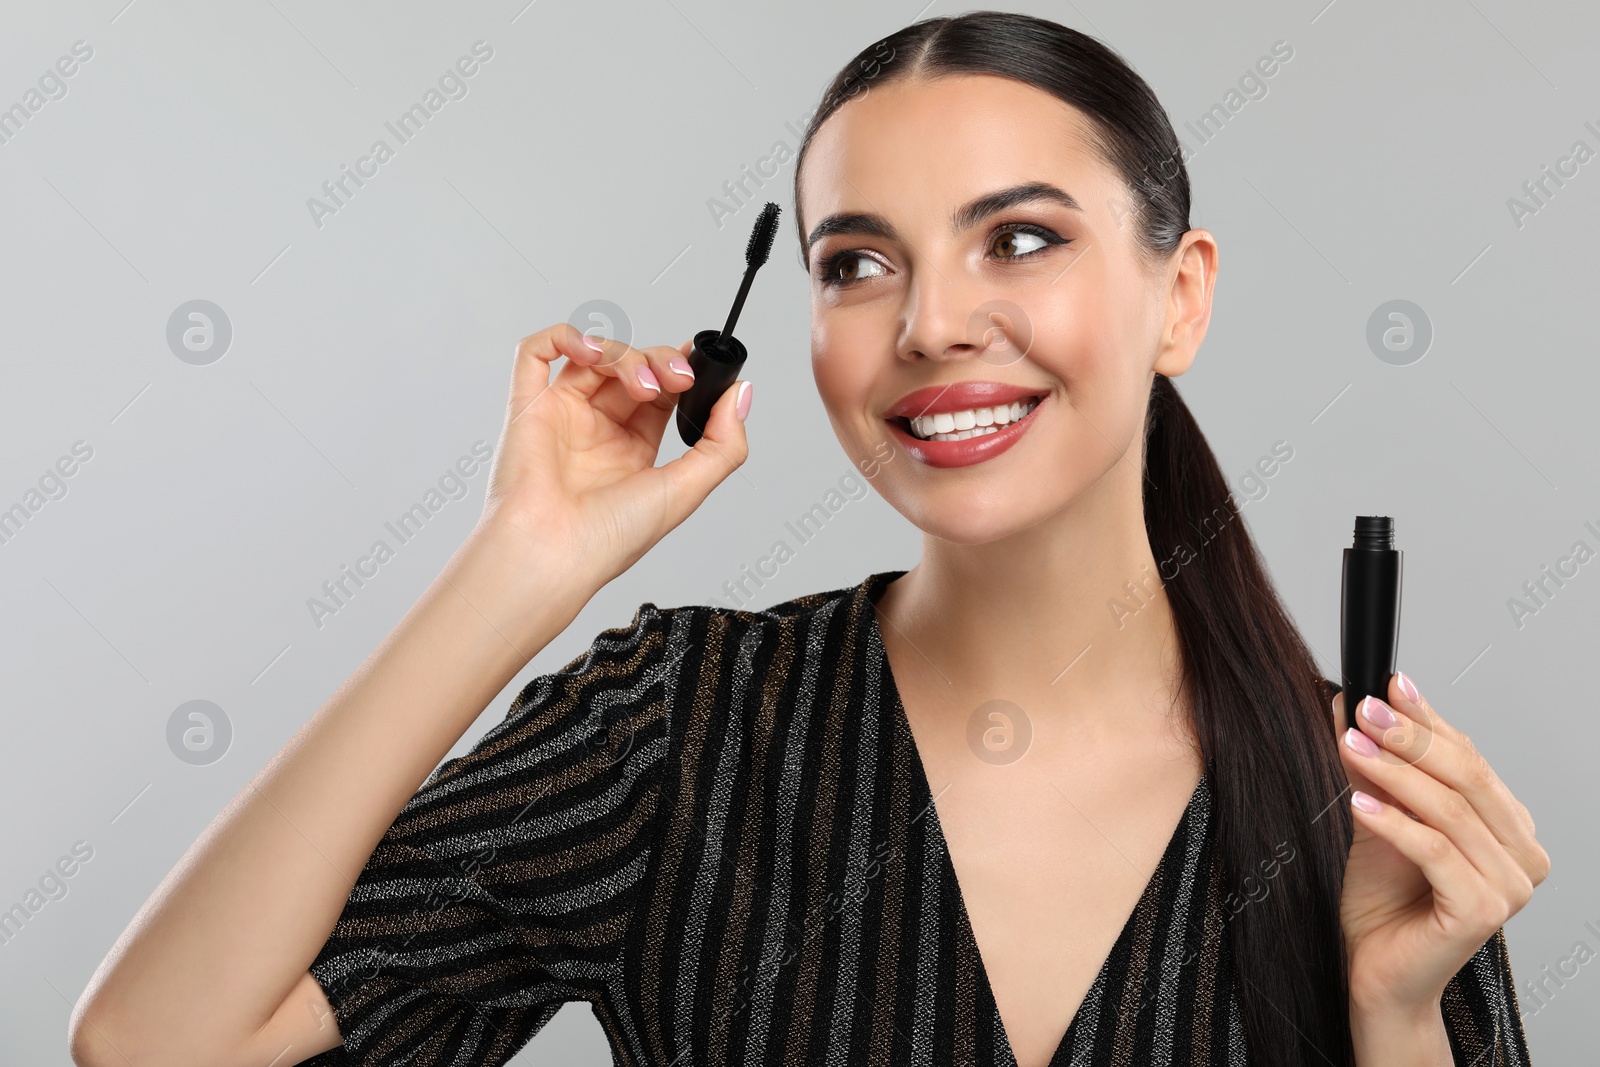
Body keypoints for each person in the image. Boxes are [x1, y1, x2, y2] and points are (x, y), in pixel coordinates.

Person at [70, 11, 1547, 1067]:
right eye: (857, 264)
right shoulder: (677, 729)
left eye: (1019, 237)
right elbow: (154, 1046)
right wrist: (519, 563)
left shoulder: (1362, 812)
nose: (930, 323)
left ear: (1182, 296)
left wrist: (1395, 1015)